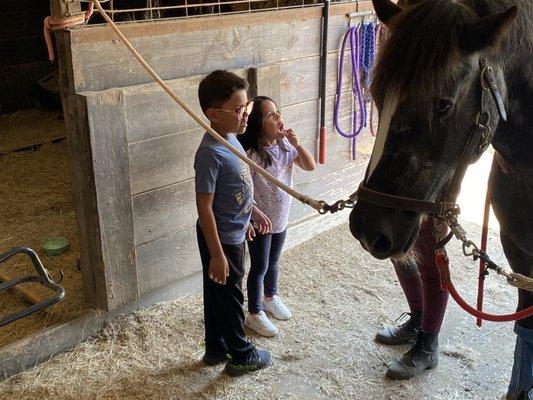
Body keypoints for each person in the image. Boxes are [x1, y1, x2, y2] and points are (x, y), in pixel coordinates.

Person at [194, 71, 272, 376]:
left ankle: (215, 348)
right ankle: (241, 353)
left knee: (217, 294)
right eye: (239, 110)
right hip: (222, 239)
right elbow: (205, 207)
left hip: (234, 231)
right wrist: (217, 253)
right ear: (214, 114)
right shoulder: (210, 153)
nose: (245, 116)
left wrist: (251, 211)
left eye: (247, 108)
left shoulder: (232, 140)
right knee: (230, 296)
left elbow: (236, 187)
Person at [238, 96, 316, 337]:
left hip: (280, 219)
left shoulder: (285, 147)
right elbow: (242, 190)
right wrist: (254, 214)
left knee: (274, 261)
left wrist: (298, 144)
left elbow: (309, 165)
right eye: (270, 115)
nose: (278, 117)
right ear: (257, 124)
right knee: (259, 266)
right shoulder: (251, 155)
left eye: (277, 112)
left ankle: (270, 297)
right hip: (262, 222)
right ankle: (254, 312)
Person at [375, 218, 449, 379]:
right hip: (399, 197)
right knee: (398, 253)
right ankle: (417, 322)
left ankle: (428, 348)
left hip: (431, 198)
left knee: (431, 262)